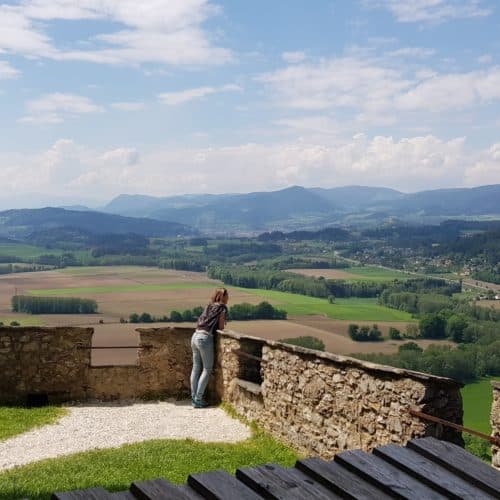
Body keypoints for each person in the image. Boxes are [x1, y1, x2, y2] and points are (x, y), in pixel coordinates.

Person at [190, 287, 228, 408]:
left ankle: (193, 396)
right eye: (227, 296)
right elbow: (221, 327)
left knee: (196, 368)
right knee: (207, 369)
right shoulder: (222, 308)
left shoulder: (208, 306)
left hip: (195, 336)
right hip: (205, 338)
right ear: (223, 297)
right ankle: (198, 398)